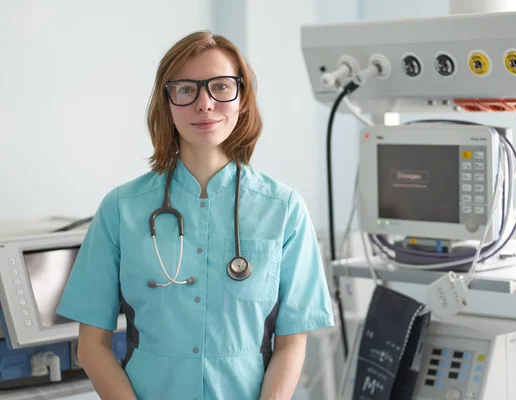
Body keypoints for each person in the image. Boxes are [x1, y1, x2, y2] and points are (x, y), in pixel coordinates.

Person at [57, 30, 335, 400]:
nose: (205, 104)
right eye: (187, 89)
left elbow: (290, 344)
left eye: (220, 87)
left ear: (243, 100)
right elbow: (92, 346)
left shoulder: (283, 210)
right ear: (167, 102)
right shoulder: (122, 208)